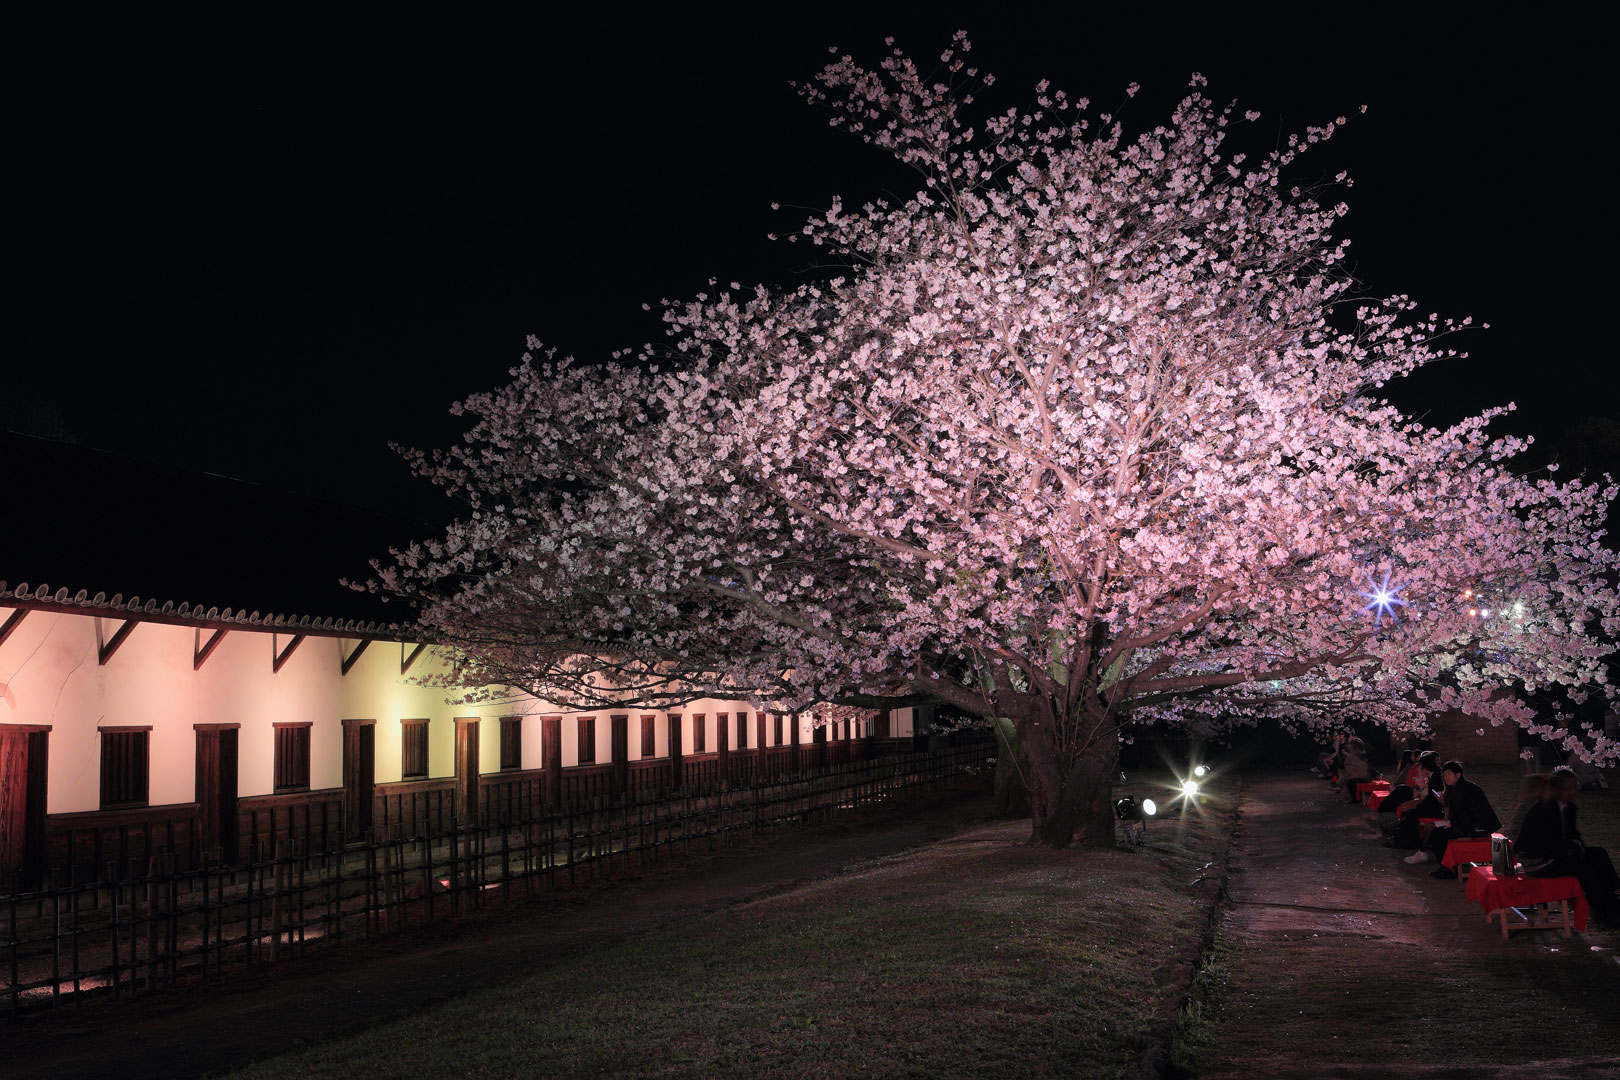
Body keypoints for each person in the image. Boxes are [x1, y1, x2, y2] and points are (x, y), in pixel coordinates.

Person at [1516, 766, 1620, 921]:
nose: (1572, 792)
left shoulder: (1569, 808)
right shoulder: (1543, 809)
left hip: (1558, 854)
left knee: (1598, 854)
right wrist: (1572, 850)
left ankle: (1612, 894)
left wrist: (1580, 848)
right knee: (1582, 867)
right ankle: (1604, 910)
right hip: (1537, 860)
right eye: (1567, 788)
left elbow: (1572, 835)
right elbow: (1547, 842)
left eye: (1574, 787)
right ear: (1557, 790)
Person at [1404, 759, 1499, 877]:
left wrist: (1467, 835)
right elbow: (1460, 813)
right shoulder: (1457, 787)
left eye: (1449, 774)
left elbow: (1470, 814)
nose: (1446, 777)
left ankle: (1448, 869)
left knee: (1437, 836)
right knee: (1436, 833)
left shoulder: (1462, 789)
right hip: (1468, 825)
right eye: (1444, 775)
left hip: (1478, 827)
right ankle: (1447, 866)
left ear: (1458, 775)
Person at [1388, 753, 1444, 849]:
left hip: (1435, 808)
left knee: (1412, 815)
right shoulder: (1435, 775)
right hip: (1431, 804)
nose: (1422, 771)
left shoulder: (1436, 777)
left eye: (1422, 768)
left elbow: (1433, 797)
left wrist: (1419, 804)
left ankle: (1402, 839)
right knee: (1410, 812)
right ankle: (1399, 836)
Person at [1338, 737, 1375, 803]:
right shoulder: (1356, 755)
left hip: (1366, 777)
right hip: (1359, 776)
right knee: (1349, 776)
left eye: (1352, 749)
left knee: (1349, 778)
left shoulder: (1364, 756)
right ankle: (1344, 794)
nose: (1351, 750)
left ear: (1356, 749)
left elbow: (1365, 771)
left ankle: (1351, 798)